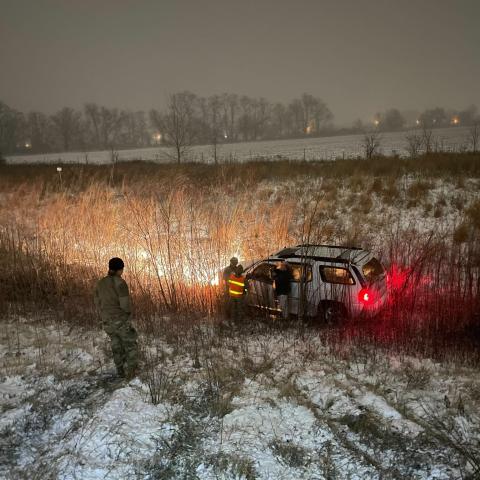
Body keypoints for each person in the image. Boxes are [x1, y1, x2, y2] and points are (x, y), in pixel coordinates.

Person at [94, 257, 138, 380]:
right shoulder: (120, 283)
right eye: (122, 269)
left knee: (116, 346)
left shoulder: (100, 283)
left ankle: (120, 371)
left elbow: (97, 302)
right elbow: (125, 305)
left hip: (107, 321)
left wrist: (105, 313)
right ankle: (131, 374)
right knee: (130, 345)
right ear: (119, 269)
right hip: (120, 319)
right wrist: (127, 315)